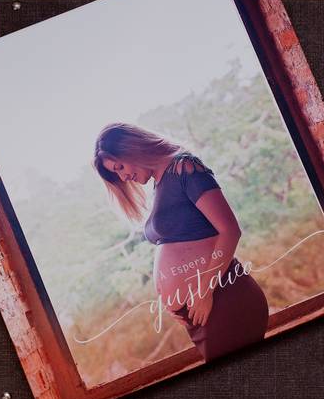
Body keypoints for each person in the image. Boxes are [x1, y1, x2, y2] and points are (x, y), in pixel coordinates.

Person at [93, 122, 268, 362]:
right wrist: (174, 301)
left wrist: (204, 291)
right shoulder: (160, 183)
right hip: (202, 311)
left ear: (133, 148)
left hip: (223, 299)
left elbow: (230, 231)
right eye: (116, 175)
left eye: (120, 167)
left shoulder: (185, 168)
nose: (123, 177)